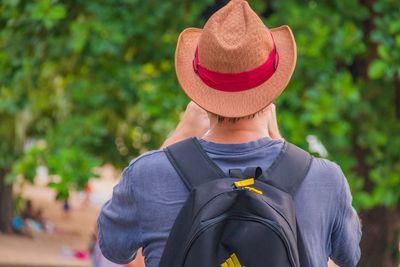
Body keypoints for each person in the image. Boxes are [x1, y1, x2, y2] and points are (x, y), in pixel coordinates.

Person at [97, 1, 361, 266]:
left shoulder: (147, 174)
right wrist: (282, 145)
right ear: (272, 87)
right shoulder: (325, 179)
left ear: (199, 89)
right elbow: (349, 257)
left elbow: (113, 248)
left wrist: (177, 139)